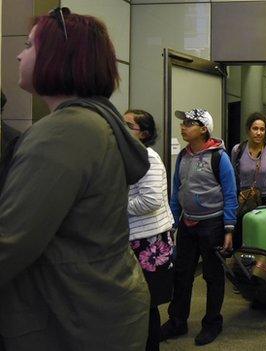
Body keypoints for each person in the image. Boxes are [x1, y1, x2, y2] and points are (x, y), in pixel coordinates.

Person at [0, 7, 150, 350]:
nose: (20, 55)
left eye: (29, 46)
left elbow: (12, 240)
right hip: (103, 308)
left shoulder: (64, 131)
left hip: (74, 319)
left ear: (56, 57)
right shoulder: (97, 120)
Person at [160, 108, 237, 346]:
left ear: (203, 129)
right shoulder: (183, 156)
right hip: (187, 223)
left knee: (213, 277)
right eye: (182, 123)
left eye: (189, 123)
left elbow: (230, 194)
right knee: (182, 275)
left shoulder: (219, 157)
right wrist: (171, 224)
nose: (183, 127)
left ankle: (212, 322)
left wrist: (229, 229)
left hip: (212, 224)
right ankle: (177, 321)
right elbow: (177, 192)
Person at [124, 109, 175, 351]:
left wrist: (114, 205)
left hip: (149, 242)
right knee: (138, 303)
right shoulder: (130, 154)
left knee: (147, 303)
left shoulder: (148, 157)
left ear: (143, 133)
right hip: (137, 238)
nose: (121, 128)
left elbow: (151, 200)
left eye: (128, 125)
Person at [230, 112, 266, 249]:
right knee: (241, 237)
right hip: (243, 201)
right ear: (248, 130)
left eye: (262, 129)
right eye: (255, 128)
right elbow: (233, 176)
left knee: (263, 237)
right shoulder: (238, 150)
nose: (258, 133)